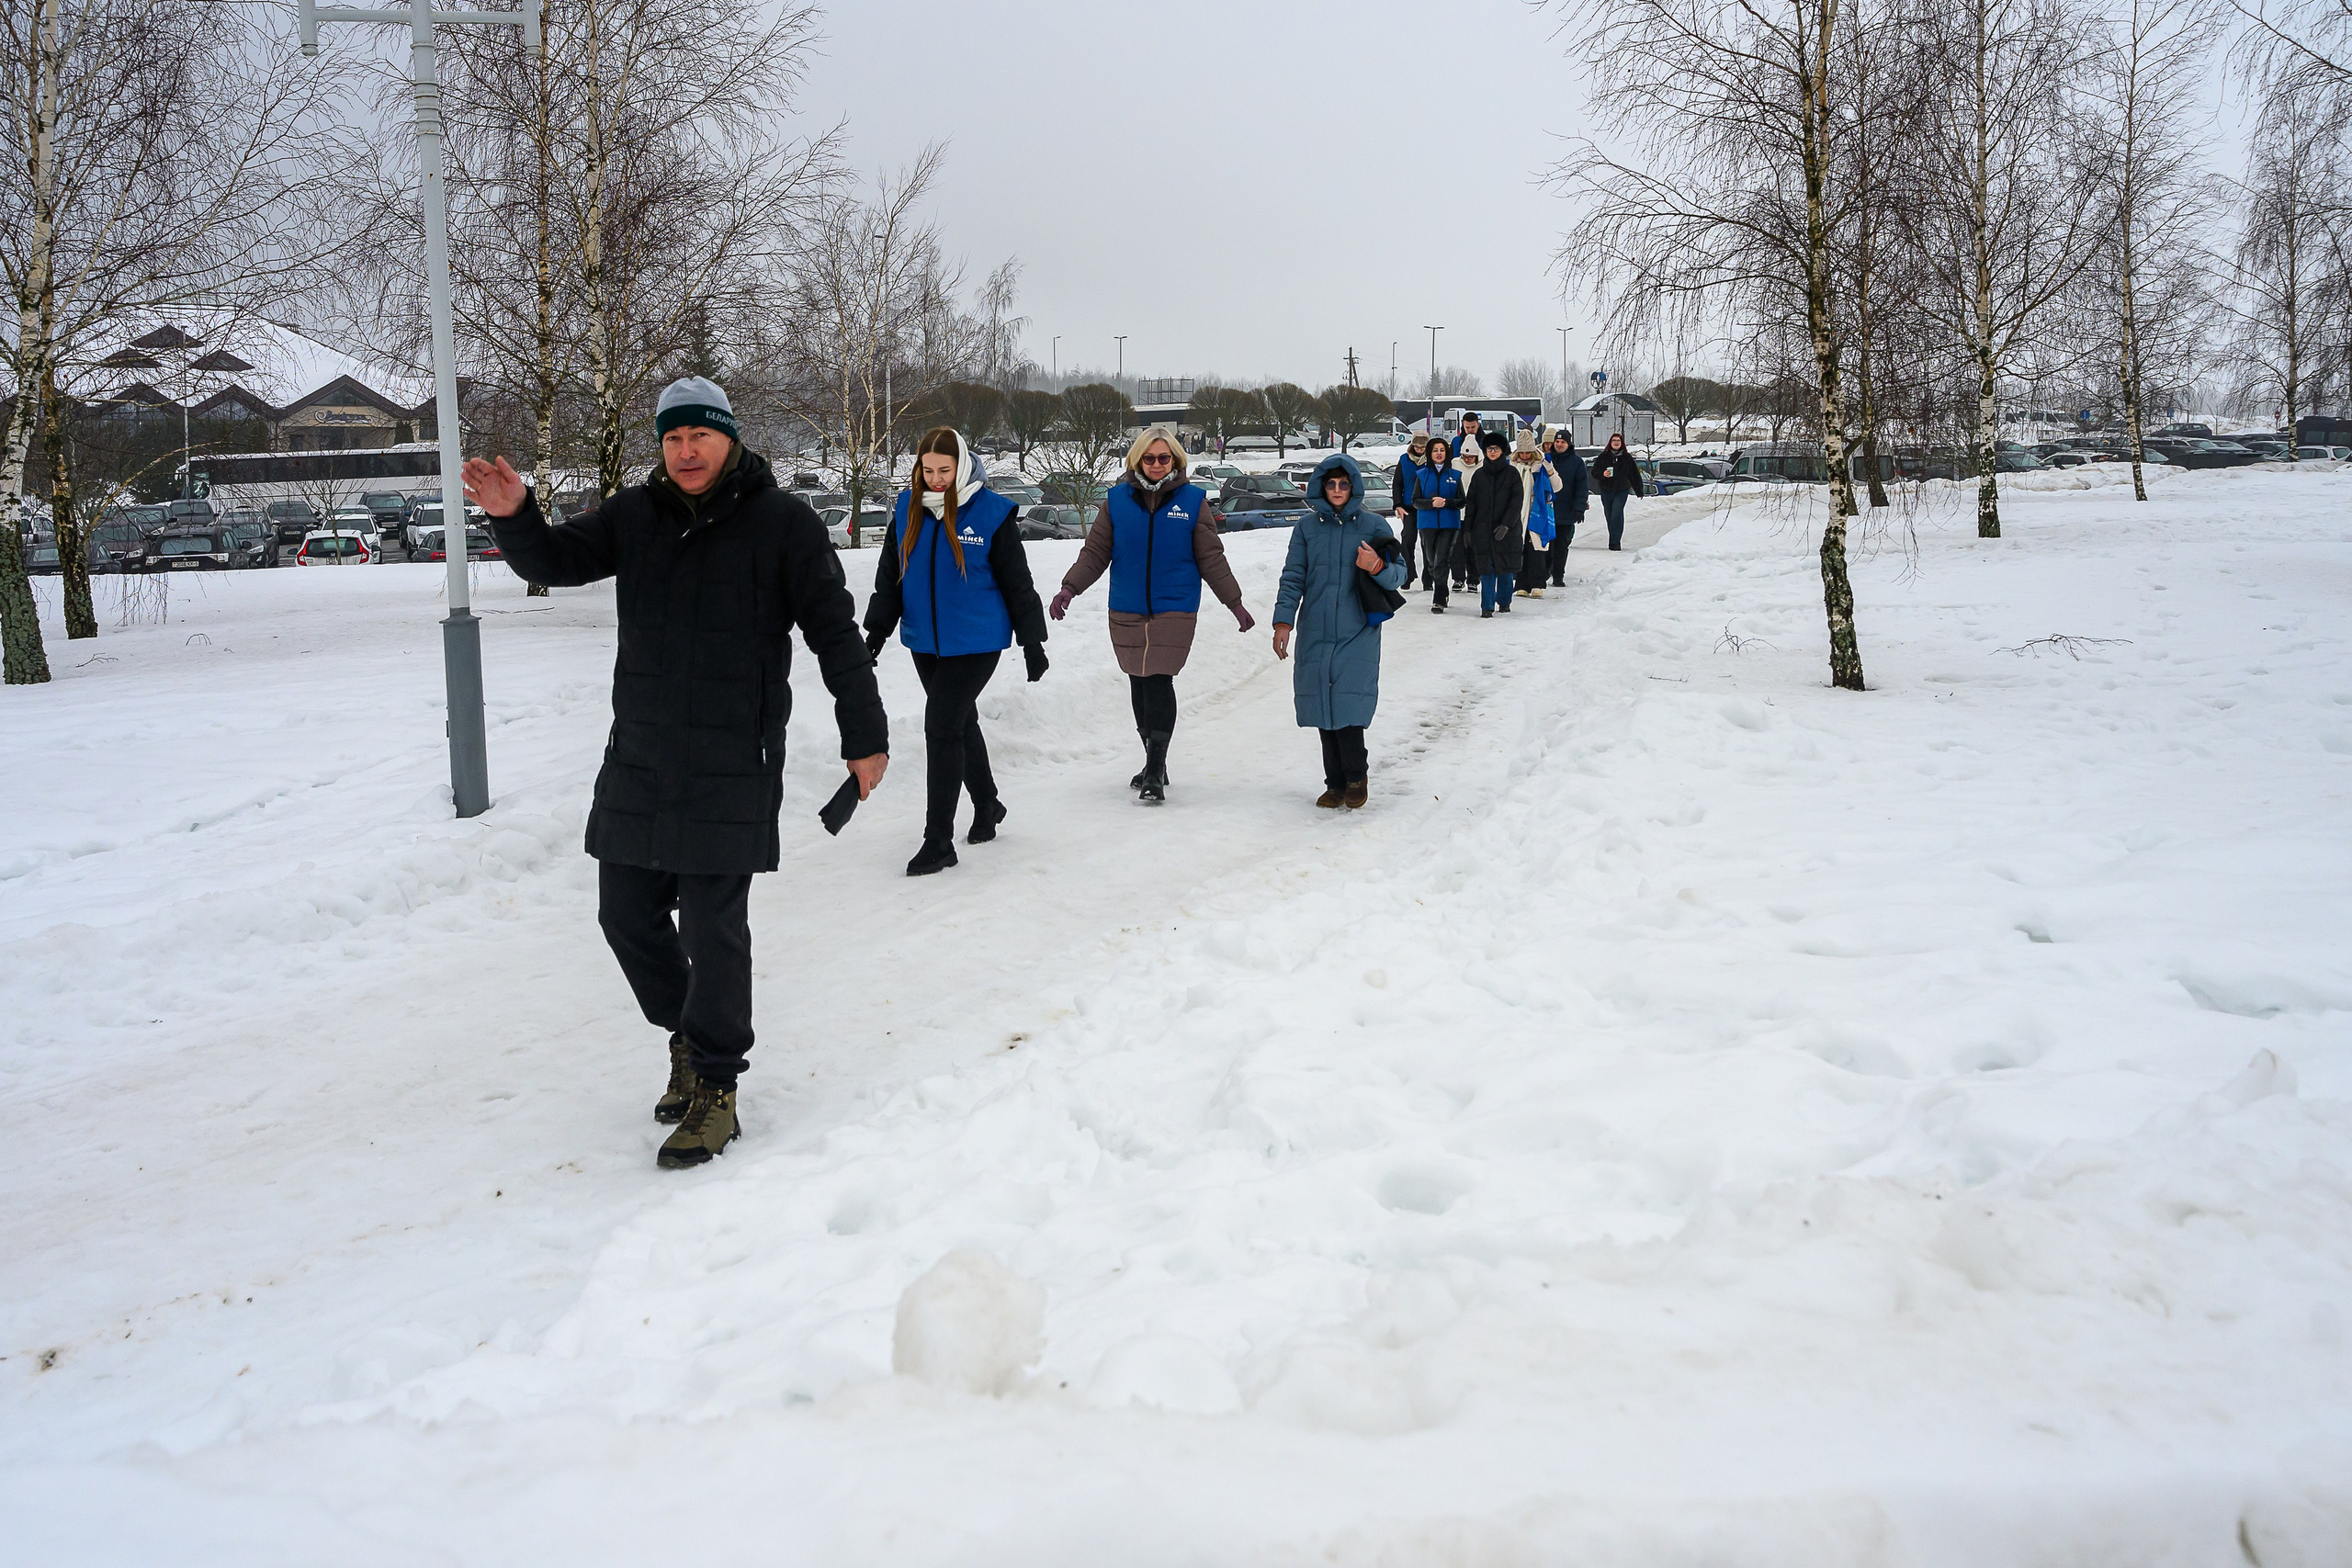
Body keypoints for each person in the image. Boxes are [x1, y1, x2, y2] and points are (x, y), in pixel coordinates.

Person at [460, 376, 889, 1170]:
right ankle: (687, 1035)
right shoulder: (637, 514)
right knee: (623, 913)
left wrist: (864, 734)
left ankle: (717, 1087)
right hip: (644, 754)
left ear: (729, 438)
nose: (685, 451)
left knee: (712, 930)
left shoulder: (783, 524)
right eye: (671, 438)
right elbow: (557, 557)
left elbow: (836, 633)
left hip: (734, 758)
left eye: (699, 435)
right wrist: (515, 513)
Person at [864, 427, 1048, 877]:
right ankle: (987, 805)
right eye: (928, 471)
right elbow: (892, 576)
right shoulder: (908, 508)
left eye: (944, 470)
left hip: (977, 642)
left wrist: (1032, 642)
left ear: (962, 465)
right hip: (925, 641)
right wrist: (876, 633)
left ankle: (938, 841)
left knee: (942, 725)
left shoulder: (991, 514)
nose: (937, 479)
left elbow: (1017, 582)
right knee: (960, 723)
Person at [1049, 427, 1255, 804]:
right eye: (1150, 458)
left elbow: (1211, 558)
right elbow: (1095, 553)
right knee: (1138, 683)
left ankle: (1155, 769)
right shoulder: (1116, 502)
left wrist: (1234, 603)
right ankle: (1152, 759)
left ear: (1175, 460)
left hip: (1174, 607)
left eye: (1164, 458)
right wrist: (1069, 589)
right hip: (1126, 606)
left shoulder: (1193, 502)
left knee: (1158, 680)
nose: (1158, 464)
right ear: (1137, 461)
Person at [1272, 453, 1406, 808]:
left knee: (1348, 709)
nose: (1336, 489)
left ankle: (1355, 777)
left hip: (1357, 629)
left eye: (1343, 484)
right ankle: (1333, 783)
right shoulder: (1306, 528)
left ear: (1353, 486)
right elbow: (1293, 577)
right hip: (1315, 629)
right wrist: (1283, 621)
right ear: (1320, 486)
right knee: (1321, 708)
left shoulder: (1375, 526)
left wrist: (1377, 565)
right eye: (1330, 484)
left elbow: (1400, 576)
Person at [1463, 430, 1524, 617]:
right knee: (1486, 570)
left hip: (1507, 531)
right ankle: (1487, 607)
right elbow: (1471, 503)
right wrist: (1467, 529)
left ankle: (1504, 602)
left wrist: (1507, 524)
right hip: (1483, 530)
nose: (1492, 452)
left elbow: (1516, 502)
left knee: (1504, 569)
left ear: (1502, 451)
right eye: (1489, 449)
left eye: (1496, 449)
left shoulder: (1512, 474)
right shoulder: (1479, 475)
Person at [1407, 436, 1463, 613]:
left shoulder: (1455, 475)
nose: (1439, 454)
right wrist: (1431, 503)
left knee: (1442, 559)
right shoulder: (1421, 475)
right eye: (1435, 450)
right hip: (1427, 523)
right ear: (1430, 454)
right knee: (1431, 561)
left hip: (1449, 524)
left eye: (1442, 450)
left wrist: (1446, 502)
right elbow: (1415, 501)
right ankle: (1443, 589)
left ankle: (1438, 597)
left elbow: (1462, 500)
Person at [1511, 430, 1556, 598]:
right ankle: (1521, 584)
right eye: (1521, 452)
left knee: (1537, 549)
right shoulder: (1513, 466)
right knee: (1519, 548)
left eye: (1527, 452)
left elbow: (1557, 487)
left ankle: (1538, 583)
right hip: (1518, 513)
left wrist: (1550, 471)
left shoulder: (1542, 465)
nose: (1524, 455)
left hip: (1538, 512)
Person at [1545, 427, 1588, 583]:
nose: (1559, 444)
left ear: (1568, 444)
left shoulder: (1576, 462)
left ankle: (1558, 575)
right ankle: (1544, 573)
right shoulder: (1546, 459)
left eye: (1563, 442)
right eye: (1557, 441)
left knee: (1562, 545)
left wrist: (1579, 508)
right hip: (1547, 511)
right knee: (1546, 545)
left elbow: (1581, 487)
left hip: (1566, 510)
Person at [1391, 433, 1430, 588]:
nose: (1419, 450)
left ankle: (1428, 579)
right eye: (1417, 447)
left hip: (1427, 507)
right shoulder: (1404, 459)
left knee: (1428, 544)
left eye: (1423, 447)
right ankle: (1409, 574)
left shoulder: (1432, 460)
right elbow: (1397, 484)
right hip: (1408, 507)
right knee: (1407, 540)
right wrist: (1397, 504)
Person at [1590, 431, 1640, 551]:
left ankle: (1614, 543)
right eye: (1614, 441)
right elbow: (1594, 472)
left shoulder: (1627, 458)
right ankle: (1613, 537)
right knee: (1609, 515)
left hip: (1621, 490)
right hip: (1606, 490)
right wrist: (1603, 474)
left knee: (1617, 514)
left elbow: (1634, 474)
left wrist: (1639, 490)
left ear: (1621, 443)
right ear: (1610, 443)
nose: (1616, 443)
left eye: (1618, 441)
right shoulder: (1603, 457)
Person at [1450, 432, 1482, 592]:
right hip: (1457, 512)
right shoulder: (1455, 464)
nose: (1467, 459)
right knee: (1457, 548)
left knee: (1474, 547)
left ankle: (1474, 579)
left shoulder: (1483, 466)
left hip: (1476, 514)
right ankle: (1458, 578)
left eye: (1470, 457)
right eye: (1465, 456)